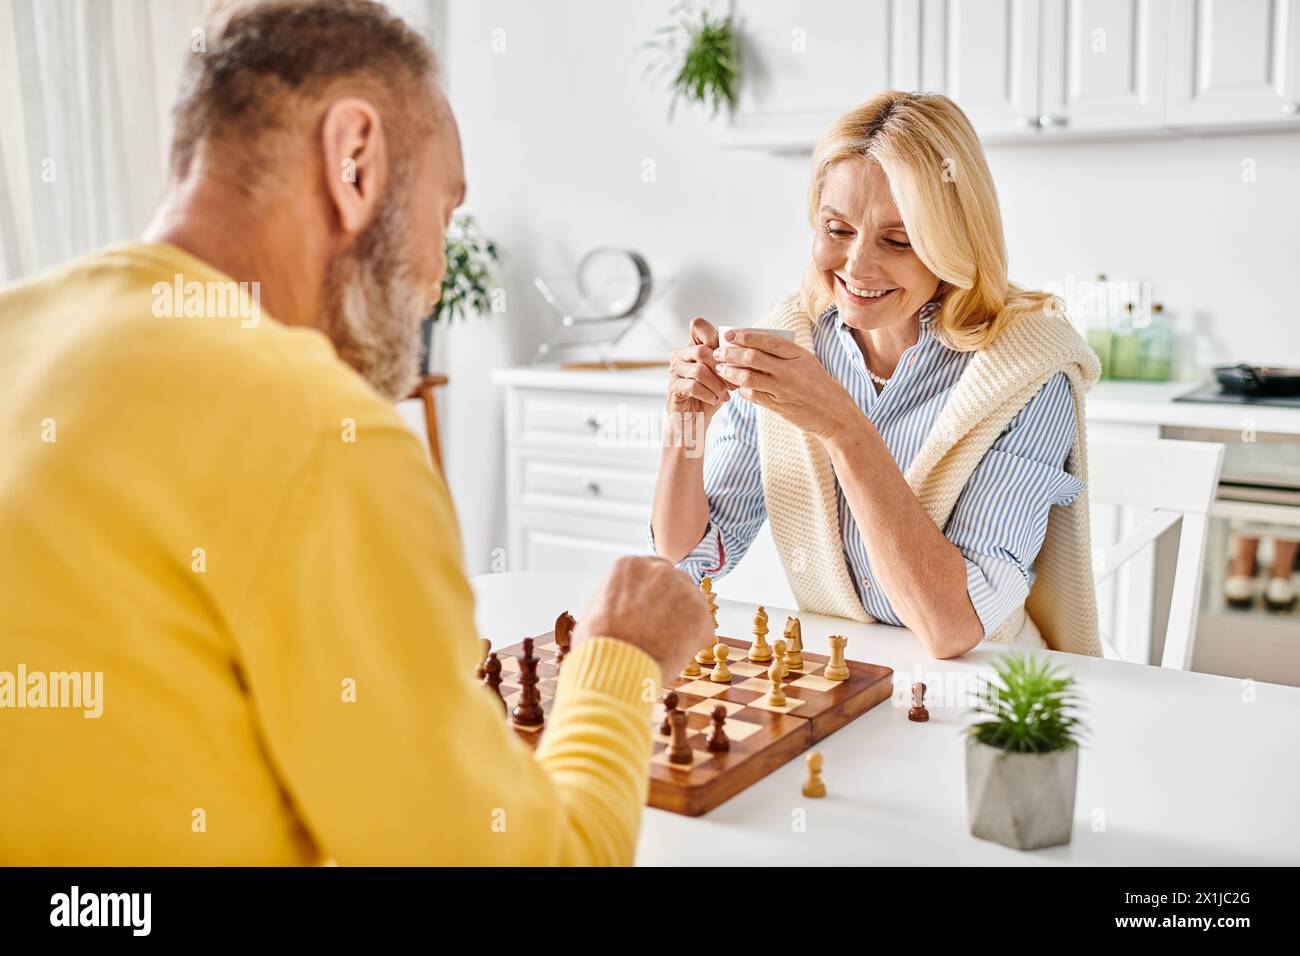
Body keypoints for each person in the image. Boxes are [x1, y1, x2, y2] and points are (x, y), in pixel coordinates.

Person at [0, 0, 709, 865]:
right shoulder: (323, 433)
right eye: (444, 213)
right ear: (356, 162)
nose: (441, 273)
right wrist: (622, 658)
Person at [651, 91, 1102, 660]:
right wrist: (684, 429)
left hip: (989, 681)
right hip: (848, 669)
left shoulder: (1026, 371)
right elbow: (693, 558)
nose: (858, 267)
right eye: (837, 230)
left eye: (898, 240)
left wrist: (843, 427)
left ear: (952, 242)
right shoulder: (793, 341)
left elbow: (953, 628)